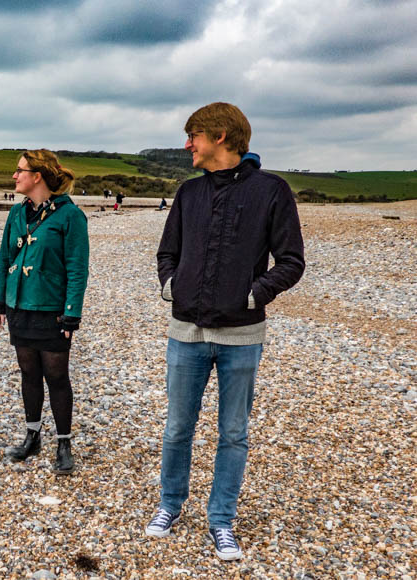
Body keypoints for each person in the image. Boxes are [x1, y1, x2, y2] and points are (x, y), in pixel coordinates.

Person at [147, 103, 305, 561]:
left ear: (219, 136)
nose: (186, 144)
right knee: (178, 427)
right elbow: (166, 252)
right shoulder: (188, 193)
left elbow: (291, 261)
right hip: (186, 331)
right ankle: (170, 505)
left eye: (192, 135)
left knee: (233, 433)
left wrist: (254, 295)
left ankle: (221, 520)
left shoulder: (272, 191)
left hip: (242, 336)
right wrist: (171, 286)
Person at [0, 150, 89, 475]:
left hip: (52, 311)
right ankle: (32, 435)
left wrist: (72, 313)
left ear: (38, 176)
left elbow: (77, 269)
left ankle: (64, 443)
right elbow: (5, 260)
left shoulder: (69, 216)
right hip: (20, 306)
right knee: (29, 373)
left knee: (57, 376)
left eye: (20, 171)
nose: (14, 176)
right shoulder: (17, 214)